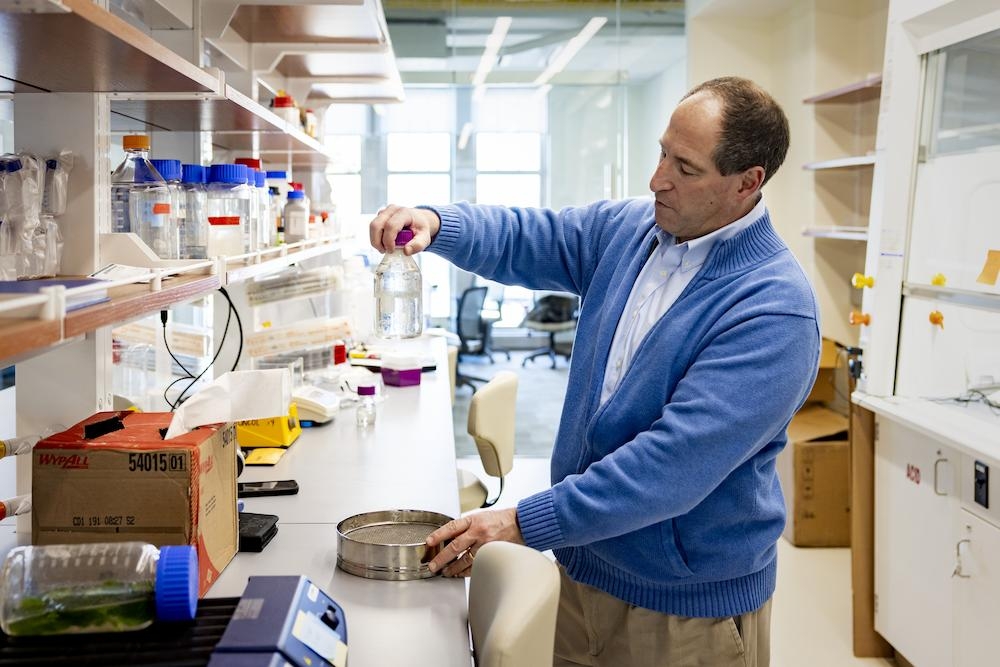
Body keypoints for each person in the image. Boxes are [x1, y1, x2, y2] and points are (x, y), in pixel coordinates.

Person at [369, 76, 820, 667]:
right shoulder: (634, 231)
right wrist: (437, 223)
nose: (657, 179)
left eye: (685, 168)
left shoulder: (773, 308)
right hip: (581, 567)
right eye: (662, 153)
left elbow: (669, 467)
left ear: (747, 182)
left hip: (683, 611)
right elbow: (531, 237)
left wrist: (522, 522)